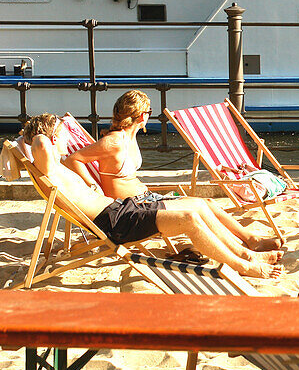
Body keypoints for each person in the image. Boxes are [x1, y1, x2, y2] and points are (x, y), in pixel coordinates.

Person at [21, 113, 281, 279]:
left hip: (123, 208)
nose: (67, 138)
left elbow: (44, 145)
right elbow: (41, 143)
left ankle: (246, 253)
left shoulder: (57, 165)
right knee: (189, 218)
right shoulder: (50, 166)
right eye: (62, 135)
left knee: (198, 206)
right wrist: (43, 133)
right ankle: (243, 266)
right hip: (116, 222)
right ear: (53, 138)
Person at [62, 90, 282, 254]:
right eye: (148, 112)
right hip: (133, 207)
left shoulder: (128, 136)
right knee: (198, 206)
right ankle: (242, 246)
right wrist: (91, 185)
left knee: (209, 204)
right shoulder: (113, 142)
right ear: (141, 116)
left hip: (145, 198)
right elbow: (74, 159)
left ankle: (250, 239)